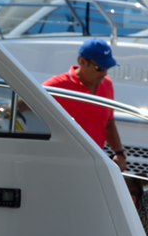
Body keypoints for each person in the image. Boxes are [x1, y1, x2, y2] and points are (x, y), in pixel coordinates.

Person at [44, 38, 128, 171]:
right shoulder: (57, 86)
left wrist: (119, 153)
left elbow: (109, 123)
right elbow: (23, 104)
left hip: (94, 163)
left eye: (107, 67)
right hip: (63, 164)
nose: (104, 73)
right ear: (82, 62)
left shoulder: (107, 84)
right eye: (99, 68)